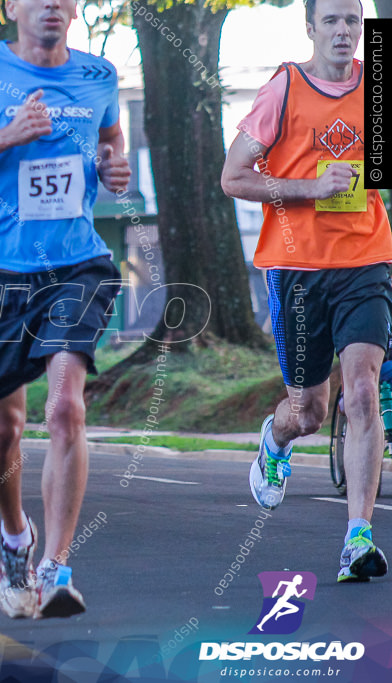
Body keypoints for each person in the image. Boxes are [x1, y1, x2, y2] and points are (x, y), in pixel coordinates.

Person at [0, 0, 131, 618]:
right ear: (11, 6)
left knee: (67, 407)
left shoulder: (99, 75)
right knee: (3, 429)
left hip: (76, 265)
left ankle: (55, 569)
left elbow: (111, 138)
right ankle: (17, 537)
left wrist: (111, 166)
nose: (51, 3)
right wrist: (10, 135)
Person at [221, 0, 388, 583]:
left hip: (365, 257)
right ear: (311, 28)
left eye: (354, 20)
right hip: (295, 268)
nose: (345, 31)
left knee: (363, 391)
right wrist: (311, 187)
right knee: (310, 411)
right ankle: (276, 439)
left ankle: (357, 538)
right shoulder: (284, 89)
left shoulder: (378, 84)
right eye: (333, 20)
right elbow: (233, 176)